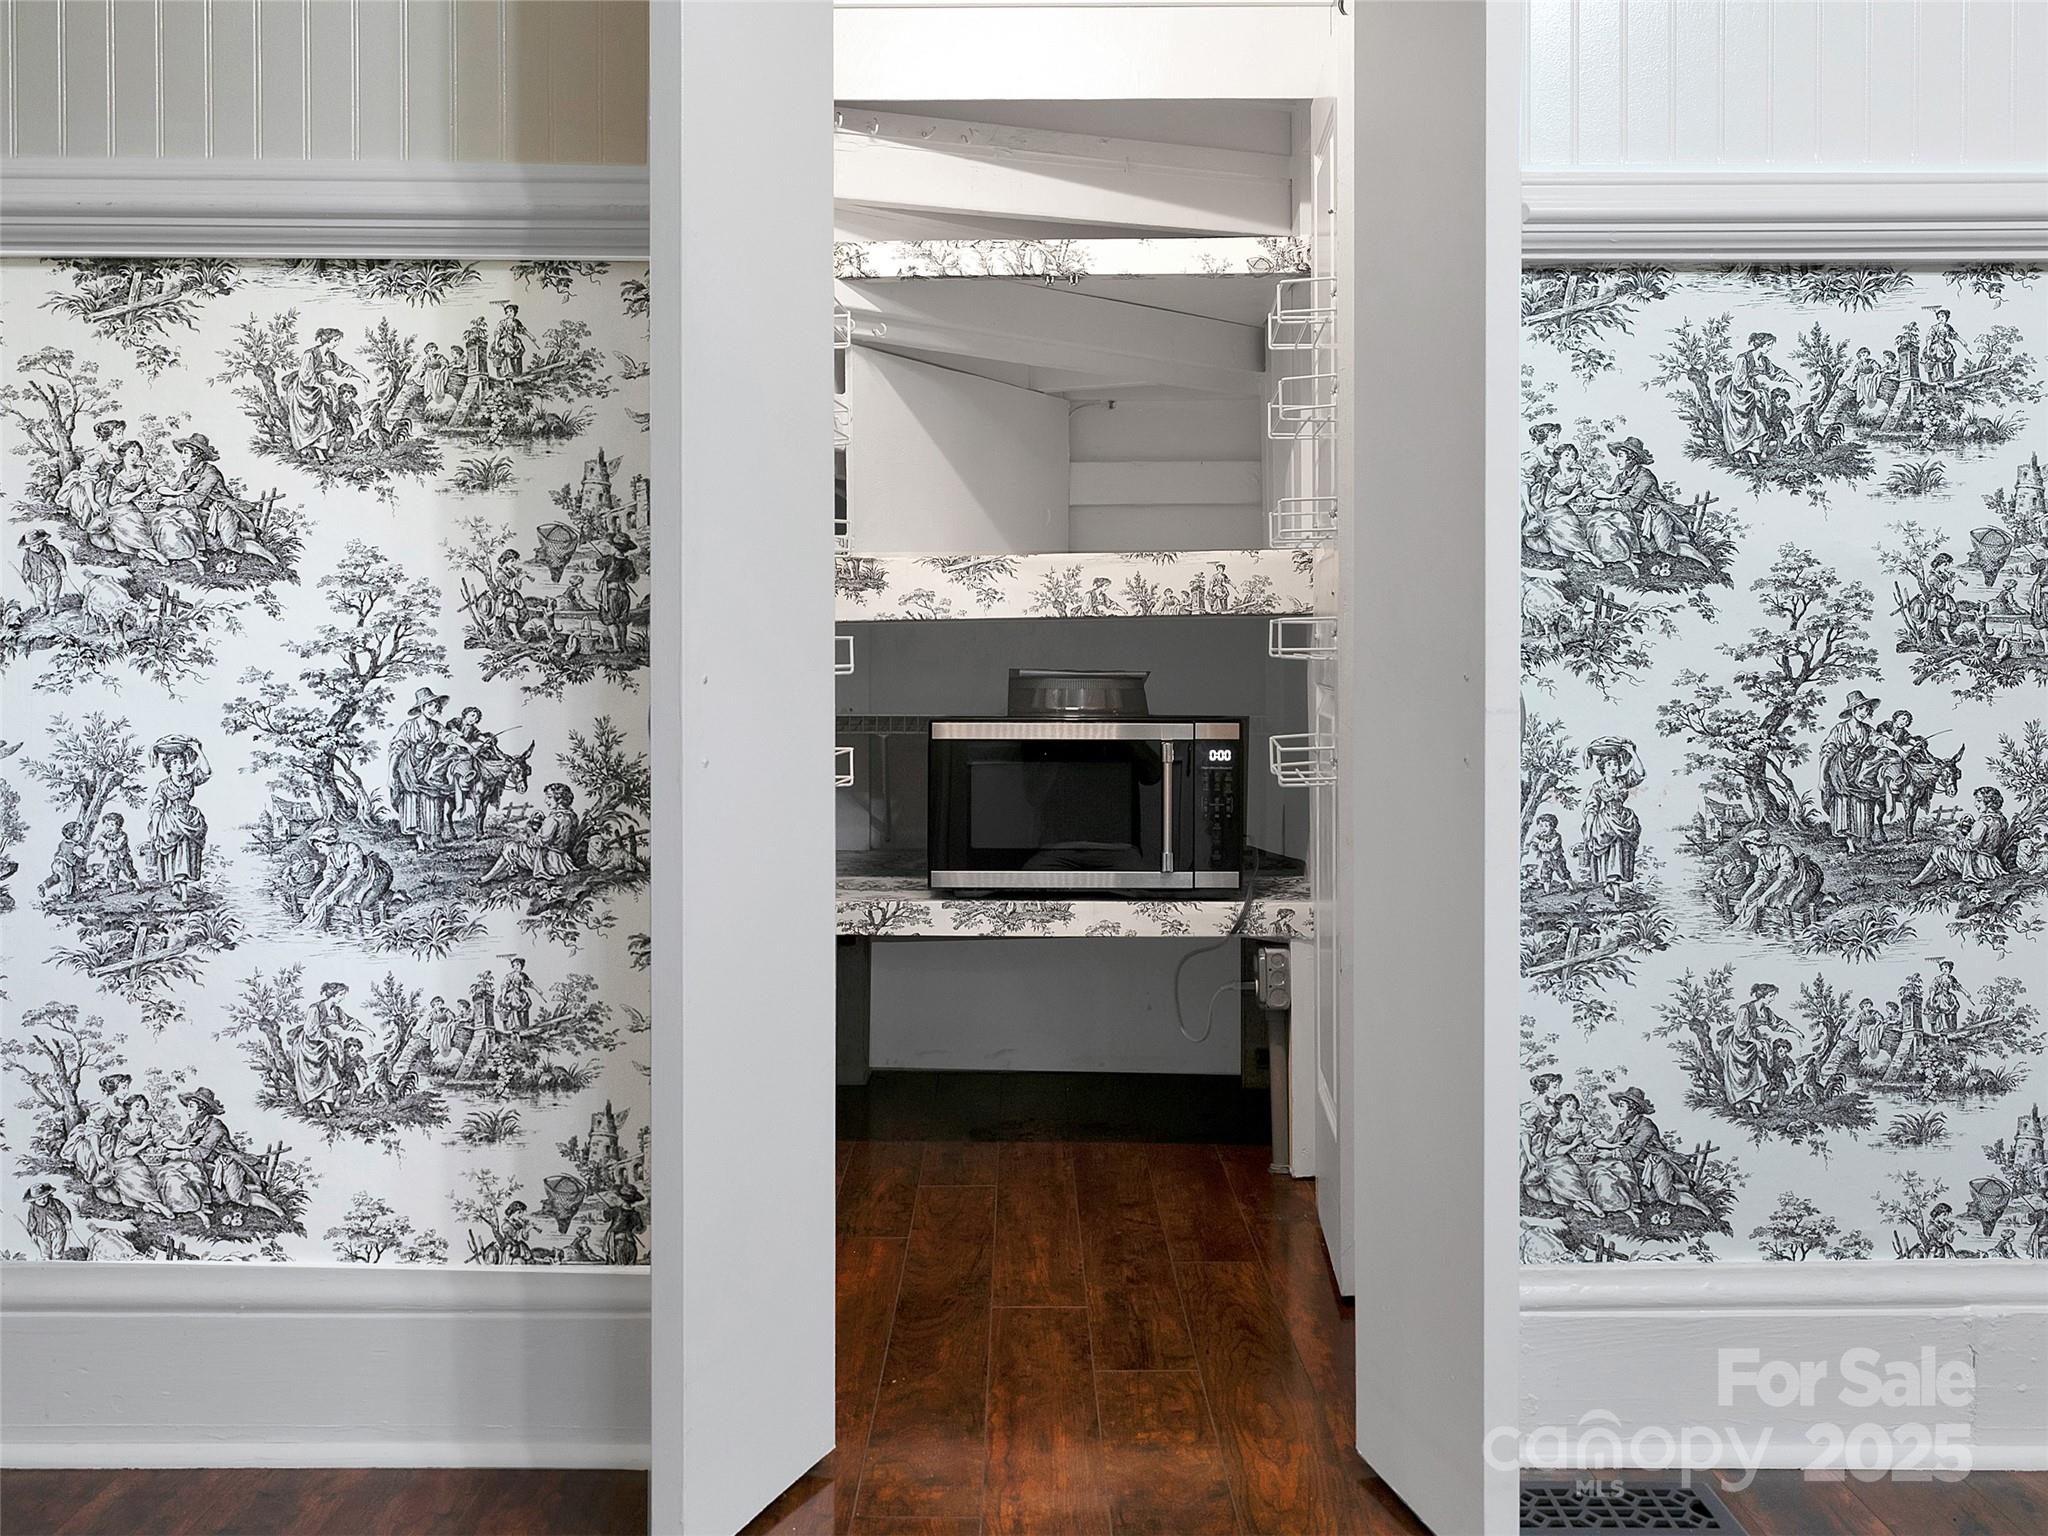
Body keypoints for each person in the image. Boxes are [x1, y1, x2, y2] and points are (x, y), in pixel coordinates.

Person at [1599, 1088, 1716, 1229]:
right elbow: (1611, 1142)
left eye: (1621, 1106)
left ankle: (1705, 1210)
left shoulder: (1646, 1126)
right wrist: (1597, 1146)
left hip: (1656, 1162)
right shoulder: (1622, 1127)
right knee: (1647, 1197)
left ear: (1632, 1109)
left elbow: (1633, 1150)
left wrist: (1610, 1153)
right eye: (1618, 1105)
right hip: (1638, 1165)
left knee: (1666, 1197)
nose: (1618, 1109)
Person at [168, 1087, 287, 1224]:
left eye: (191, 1106)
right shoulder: (192, 1127)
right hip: (210, 1166)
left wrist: (179, 1154)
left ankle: (278, 1211)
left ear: (202, 1108)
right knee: (219, 1198)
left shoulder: (216, 1126)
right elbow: (182, 1142)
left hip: (227, 1163)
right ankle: (256, 1188)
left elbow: (203, 1150)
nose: (187, 1110)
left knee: (237, 1197)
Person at [1596, 437, 1714, 573]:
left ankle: (1705, 561)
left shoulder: (1645, 476)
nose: (1616, 459)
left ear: (1631, 458)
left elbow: (1631, 501)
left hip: (1656, 513)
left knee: (1666, 547)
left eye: (1620, 456)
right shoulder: (1621, 477)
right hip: (1638, 517)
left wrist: (1608, 503)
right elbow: (1610, 492)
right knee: (1649, 548)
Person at [1577, 739, 1645, 904]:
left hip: (1624, 820)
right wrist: (1590, 827)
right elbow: (1591, 807)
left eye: (1616, 764)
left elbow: (1640, 774)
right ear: (1603, 768)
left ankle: (1611, 886)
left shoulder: (1623, 781)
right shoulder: (1598, 786)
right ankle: (1616, 895)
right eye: (1609, 765)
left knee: (1621, 855)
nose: (1614, 768)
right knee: (1610, 855)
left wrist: (1632, 752)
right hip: (1606, 823)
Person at [144, 737, 211, 895]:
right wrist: (155, 827)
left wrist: (198, 750)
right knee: (176, 852)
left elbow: (206, 772)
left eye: (182, 763)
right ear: (168, 766)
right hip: (172, 821)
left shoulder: (189, 779)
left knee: (188, 851)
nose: (179, 766)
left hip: (190, 818)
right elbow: (157, 806)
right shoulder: (164, 785)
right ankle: (180, 889)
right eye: (175, 763)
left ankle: (180, 886)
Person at [480, 783, 582, 884]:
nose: (546, 801)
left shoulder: (553, 819)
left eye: (549, 797)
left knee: (510, 846)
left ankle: (486, 878)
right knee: (514, 847)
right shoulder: (573, 817)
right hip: (563, 858)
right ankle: (503, 873)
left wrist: (527, 840)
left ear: (559, 799)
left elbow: (541, 841)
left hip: (546, 859)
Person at [1819, 691, 1882, 853]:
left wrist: (1896, 748)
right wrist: (1821, 777)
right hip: (1840, 771)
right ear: (1853, 710)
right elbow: (1827, 752)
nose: (1864, 712)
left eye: (1867, 709)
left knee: (1862, 803)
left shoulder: (1868, 730)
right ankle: (1849, 844)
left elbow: (1880, 740)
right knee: (1842, 804)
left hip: (1859, 769)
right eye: (1861, 708)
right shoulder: (1840, 729)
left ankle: (1862, 841)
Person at [1911, 786, 2012, 886]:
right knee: (1945, 851)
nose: (1975, 804)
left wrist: (1956, 842)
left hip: (1976, 863)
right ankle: (1932, 876)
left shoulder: (1982, 822)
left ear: (1989, 803)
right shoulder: (2002, 820)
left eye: (1979, 801)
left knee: (1939, 850)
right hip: (1992, 862)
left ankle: (1915, 881)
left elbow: (1971, 844)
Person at [1718, 332, 1792, 464]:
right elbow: (1738, 380)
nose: (1770, 348)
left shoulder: (1764, 360)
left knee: (1757, 423)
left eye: (1771, 345)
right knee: (1739, 426)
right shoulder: (1743, 358)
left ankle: (1753, 457)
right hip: (1738, 395)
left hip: (1752, 394)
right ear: (1760, 345)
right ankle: (1740, 452)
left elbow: (1775, 372)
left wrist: (1793, 380)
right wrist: (1752, 390)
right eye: (1768, 345)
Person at [283, 326, 352, 459]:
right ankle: (308, 449)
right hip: (304, 391)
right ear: (327, 340)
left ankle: (320, 453)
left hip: (319, 390)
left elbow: (342, 369)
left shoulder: (331, 356)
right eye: (336, 340)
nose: (337, 343)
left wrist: (361, 376)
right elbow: (305, 375)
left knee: (324, 420)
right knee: (305, 423)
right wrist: (320, 386)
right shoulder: (310, 354)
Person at [388, 688, 449, 835]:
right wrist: (390, 774)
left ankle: (432, 836)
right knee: (411, 799)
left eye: (435, 706)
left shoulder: (437, 727)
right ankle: (418, 840)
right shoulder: (409, 726)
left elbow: (449, 737)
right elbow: (396, 750)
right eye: (429, 705)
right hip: (409, 767)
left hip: (429, 766)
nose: (433, 709)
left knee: (431, 799)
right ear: (422, 707)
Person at [286, 982, 352, 1115]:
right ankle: (314, 1102)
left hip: (324, 1045)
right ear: (331, 994)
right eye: (341, 994)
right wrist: (325, 1040)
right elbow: (310, 1029)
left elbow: (349, 1023)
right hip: (308, 1046)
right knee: (311, 1077)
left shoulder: (337, 1010)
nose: (342, 997)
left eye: (343, 994)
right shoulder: (315, 1008)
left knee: (331, 1073)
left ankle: (327, 1106)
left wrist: (367, 1030)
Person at [1718, 983, 1783, 1114]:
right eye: (1771, 996)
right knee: (1741, 1077)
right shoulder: (1745, 1009)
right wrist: (1754, 1041)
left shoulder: (1766, 1011)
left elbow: (1778, 1023)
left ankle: (1755, 1108)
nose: (1772, 999)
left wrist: (1796, 1031)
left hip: (1753, 1045)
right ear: (1762, 996)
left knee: (1759, 1074)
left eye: (1773, 996)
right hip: (1738, 1046)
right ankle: (1744, 1104)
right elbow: (1740, 1030)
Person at [594, 533, 639, 653]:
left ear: (615, 547)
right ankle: (624, 646)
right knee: (622, 620)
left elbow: (597, 565)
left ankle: (616, 646)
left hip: (611, 593)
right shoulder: (629, 563)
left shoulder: (609, 559)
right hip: (624, 593)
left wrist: (603, 559)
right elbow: (633, 578)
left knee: (610, 619)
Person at [17, 529, 68, 613]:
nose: (37, 547)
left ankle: (52, 610)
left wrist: (62, 568)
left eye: (39, 544)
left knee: (53, 592)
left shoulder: (50, 549)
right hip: (36, 578)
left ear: (43, 541)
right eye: (34, 545)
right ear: (28, 547)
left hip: (52, 575)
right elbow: (26, 568)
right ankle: (42, 609)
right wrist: (27, 580)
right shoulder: (28, 555)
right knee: (39, 594)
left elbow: (58, 558)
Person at [37, 821, 88, 902]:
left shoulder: (62, 842)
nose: (81, 835)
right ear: (72, 835)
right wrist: (90, 851)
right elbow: (82, 855)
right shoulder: (74, 846)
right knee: (66, 880)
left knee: (56, 877)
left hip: (56, 863)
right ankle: (65, 896)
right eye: (79, 833)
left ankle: (43, 885)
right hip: (65, 864)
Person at [1524, 813, 1573, 895]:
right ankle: (1546, 891)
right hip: (1546, 860)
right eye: (1541, 825)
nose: (1543, 828)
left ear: (1553, 827)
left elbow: (1549, 847)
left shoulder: (1556, 837)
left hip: (1557, 859)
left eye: (1546, 826)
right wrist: (1533, 843)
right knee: (1545, 875)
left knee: (1563, 873)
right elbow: (1535, 848)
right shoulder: (1539, 836)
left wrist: (1538, 842)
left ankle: (1572, 887)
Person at [94, 812, 138, 893]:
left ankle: (139, 887)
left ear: (118, 826)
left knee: (130, 872)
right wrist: (99, 843)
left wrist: (105, 841)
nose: (108, 827)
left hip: (123, 858)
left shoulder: (122, 836)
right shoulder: (105, 835)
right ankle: (113, 891)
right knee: (112, 874)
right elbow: (100, 846)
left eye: (111, 825)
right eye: (106, 824)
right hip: (112, 859)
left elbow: (115, 847)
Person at [492, 304, 535, 379]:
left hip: (513, 339)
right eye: (507, 312)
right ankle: (508, 372)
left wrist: (531, 336)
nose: (509, 313)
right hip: (505, 340)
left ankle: (515, 372)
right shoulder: (503, 322)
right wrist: (496, 344)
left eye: (511, 311)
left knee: (519, 347)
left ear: (515, 312)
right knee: (507, 350)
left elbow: (523, 330)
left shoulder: (516, 322)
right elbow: (498, 333)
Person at [498, 959, 535, 1037]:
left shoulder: (523, 976)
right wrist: (503, 997)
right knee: (513, 1009)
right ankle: (514, 1032)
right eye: (514, 965)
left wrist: (538, 989)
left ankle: (519, 1030)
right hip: (511, 994)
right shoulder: (509, 976)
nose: (516, 967)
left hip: (520, 994)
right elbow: (505, 986)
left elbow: (529, 984)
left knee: (525, 1004)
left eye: (518, 965)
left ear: (522, 966)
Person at [1925, 308, 1962, 382]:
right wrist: (1928, 349)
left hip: (1945, 344)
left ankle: (1949, 375)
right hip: (1935, 345)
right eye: (1939, 317)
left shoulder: (1948, 327)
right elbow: (1929, 338)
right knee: (1939, 352)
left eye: (1943, 316)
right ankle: (1940, 375)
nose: (1941, 319)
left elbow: (1954, 336)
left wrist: (1962, 341)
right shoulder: (1934, 327)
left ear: (1946, 317)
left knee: (1951, 352)